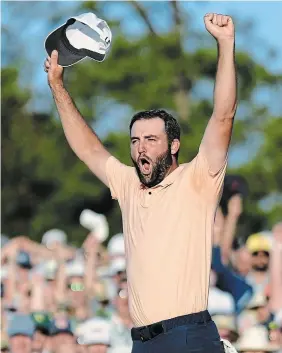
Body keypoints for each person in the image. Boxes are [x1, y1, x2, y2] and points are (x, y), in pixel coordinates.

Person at [44, 12, 237, 353]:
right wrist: (57, 87)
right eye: (135, 141)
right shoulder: (129, 185)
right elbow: (89, 149)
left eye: (151, 139)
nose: (141, 147)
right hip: (142, 341)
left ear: (174, 145)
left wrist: (225, 44)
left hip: (188, 334)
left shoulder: (198, 179)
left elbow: (223, 116)